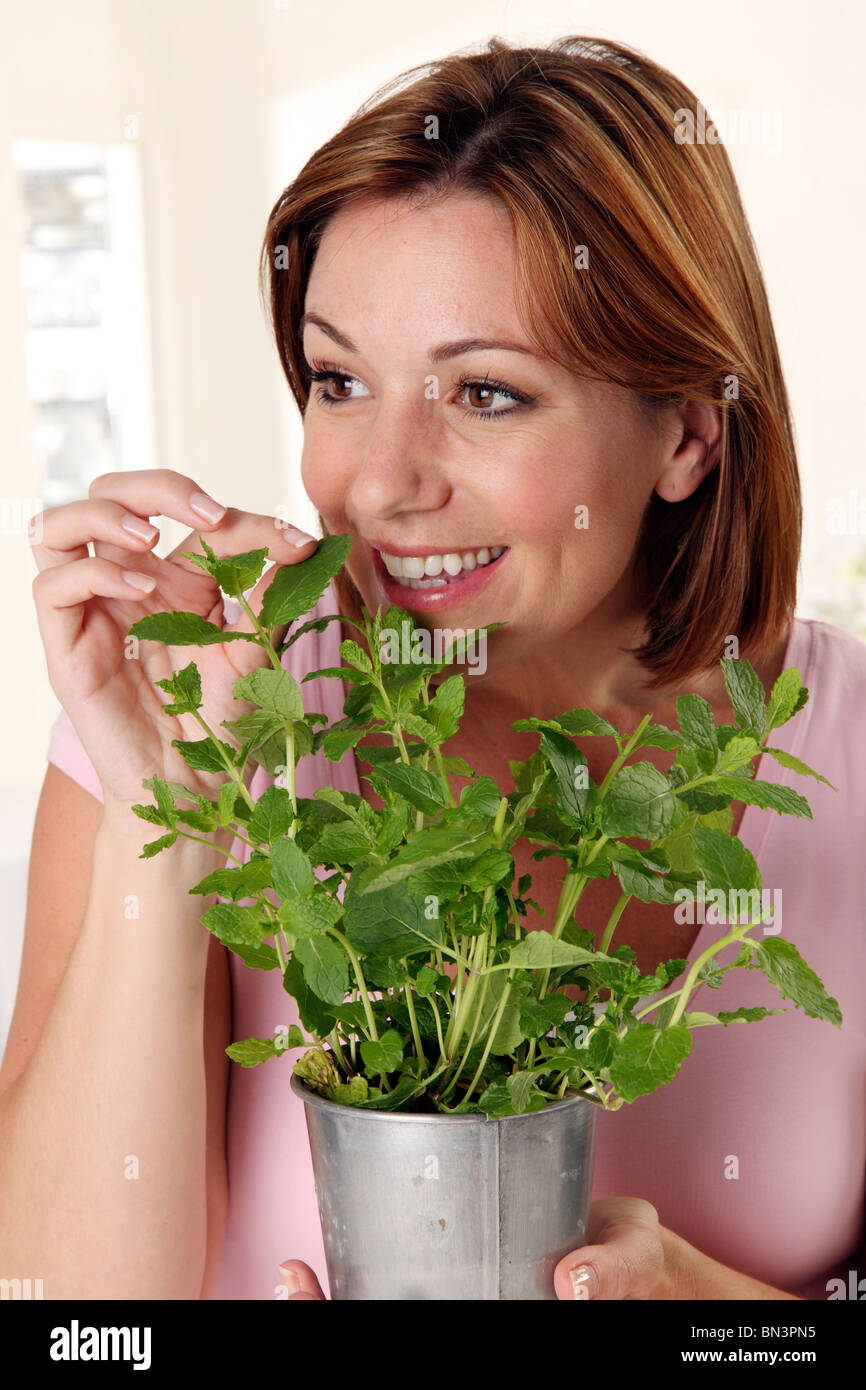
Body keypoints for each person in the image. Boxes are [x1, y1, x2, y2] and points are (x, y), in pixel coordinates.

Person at [3, 34, 863, 1301]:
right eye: (340, 379)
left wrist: (709, 1316)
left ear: (684, 431)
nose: (379, 482)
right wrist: (168, 821)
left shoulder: (838, 742)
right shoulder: (193, 723)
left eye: (485, 395)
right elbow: (67, 1325)